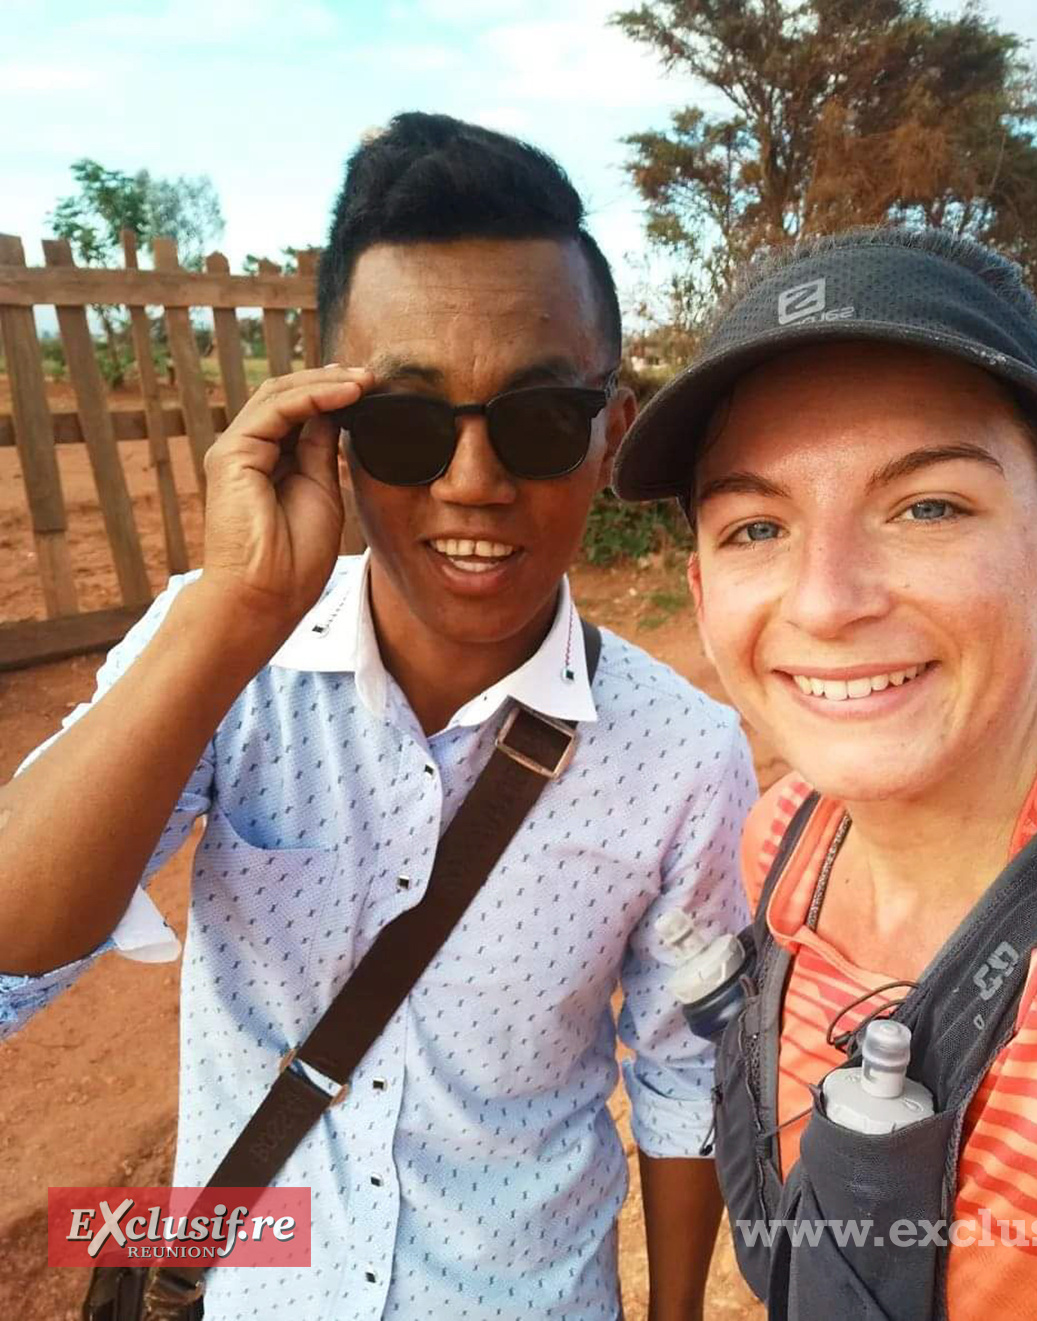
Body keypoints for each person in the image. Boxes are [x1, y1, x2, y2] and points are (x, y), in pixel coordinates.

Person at [0, 113, 757, 1320]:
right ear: (332, 437)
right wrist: (232, 612)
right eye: (406, 422)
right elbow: (11, 957)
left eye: (541, 416)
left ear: (612, 434)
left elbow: (681, 1075)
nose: (472, 478)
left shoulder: (685, 756)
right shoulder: (222, 667)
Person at [612, 228, 1037, 1318]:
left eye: (928, 506)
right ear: (700, 592)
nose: (828, 599)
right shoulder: (787, 836)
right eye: (757, 525)